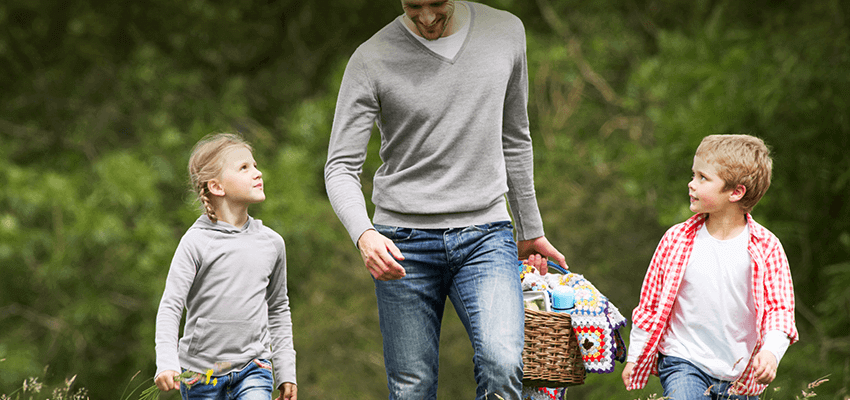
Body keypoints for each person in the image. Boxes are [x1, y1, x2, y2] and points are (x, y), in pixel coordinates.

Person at [324, 1, 567, 399]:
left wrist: (530, 228)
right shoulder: (371, 58)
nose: (426, 16)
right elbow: (339, 167)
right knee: (411, 388)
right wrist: (364, 234)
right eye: (413, 5)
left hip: (486, 234)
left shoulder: (505, 32)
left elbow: (515, 138)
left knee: (504, 362)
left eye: (436, 3)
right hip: (402, 244)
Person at [621, 134, 798, 399]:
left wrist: (771, 352)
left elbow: (780, 310)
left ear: (736, 192)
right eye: (694, 175)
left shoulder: (766, 247)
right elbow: (650, 304)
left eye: (703, 178)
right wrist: (635, 356)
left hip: (741, 372)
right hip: (683, 360)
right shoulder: (676, 240)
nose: (691, 184)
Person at [154, 133, 297, 400]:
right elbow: (171, 305)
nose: (258, 173)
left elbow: (278, 309)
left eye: (254, 165)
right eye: (244, 168)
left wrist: (287, 370)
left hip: (254, 368)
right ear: (217, 187)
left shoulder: (272, 243)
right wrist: (167, 361)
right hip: (200, 376)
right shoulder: (195, 242)